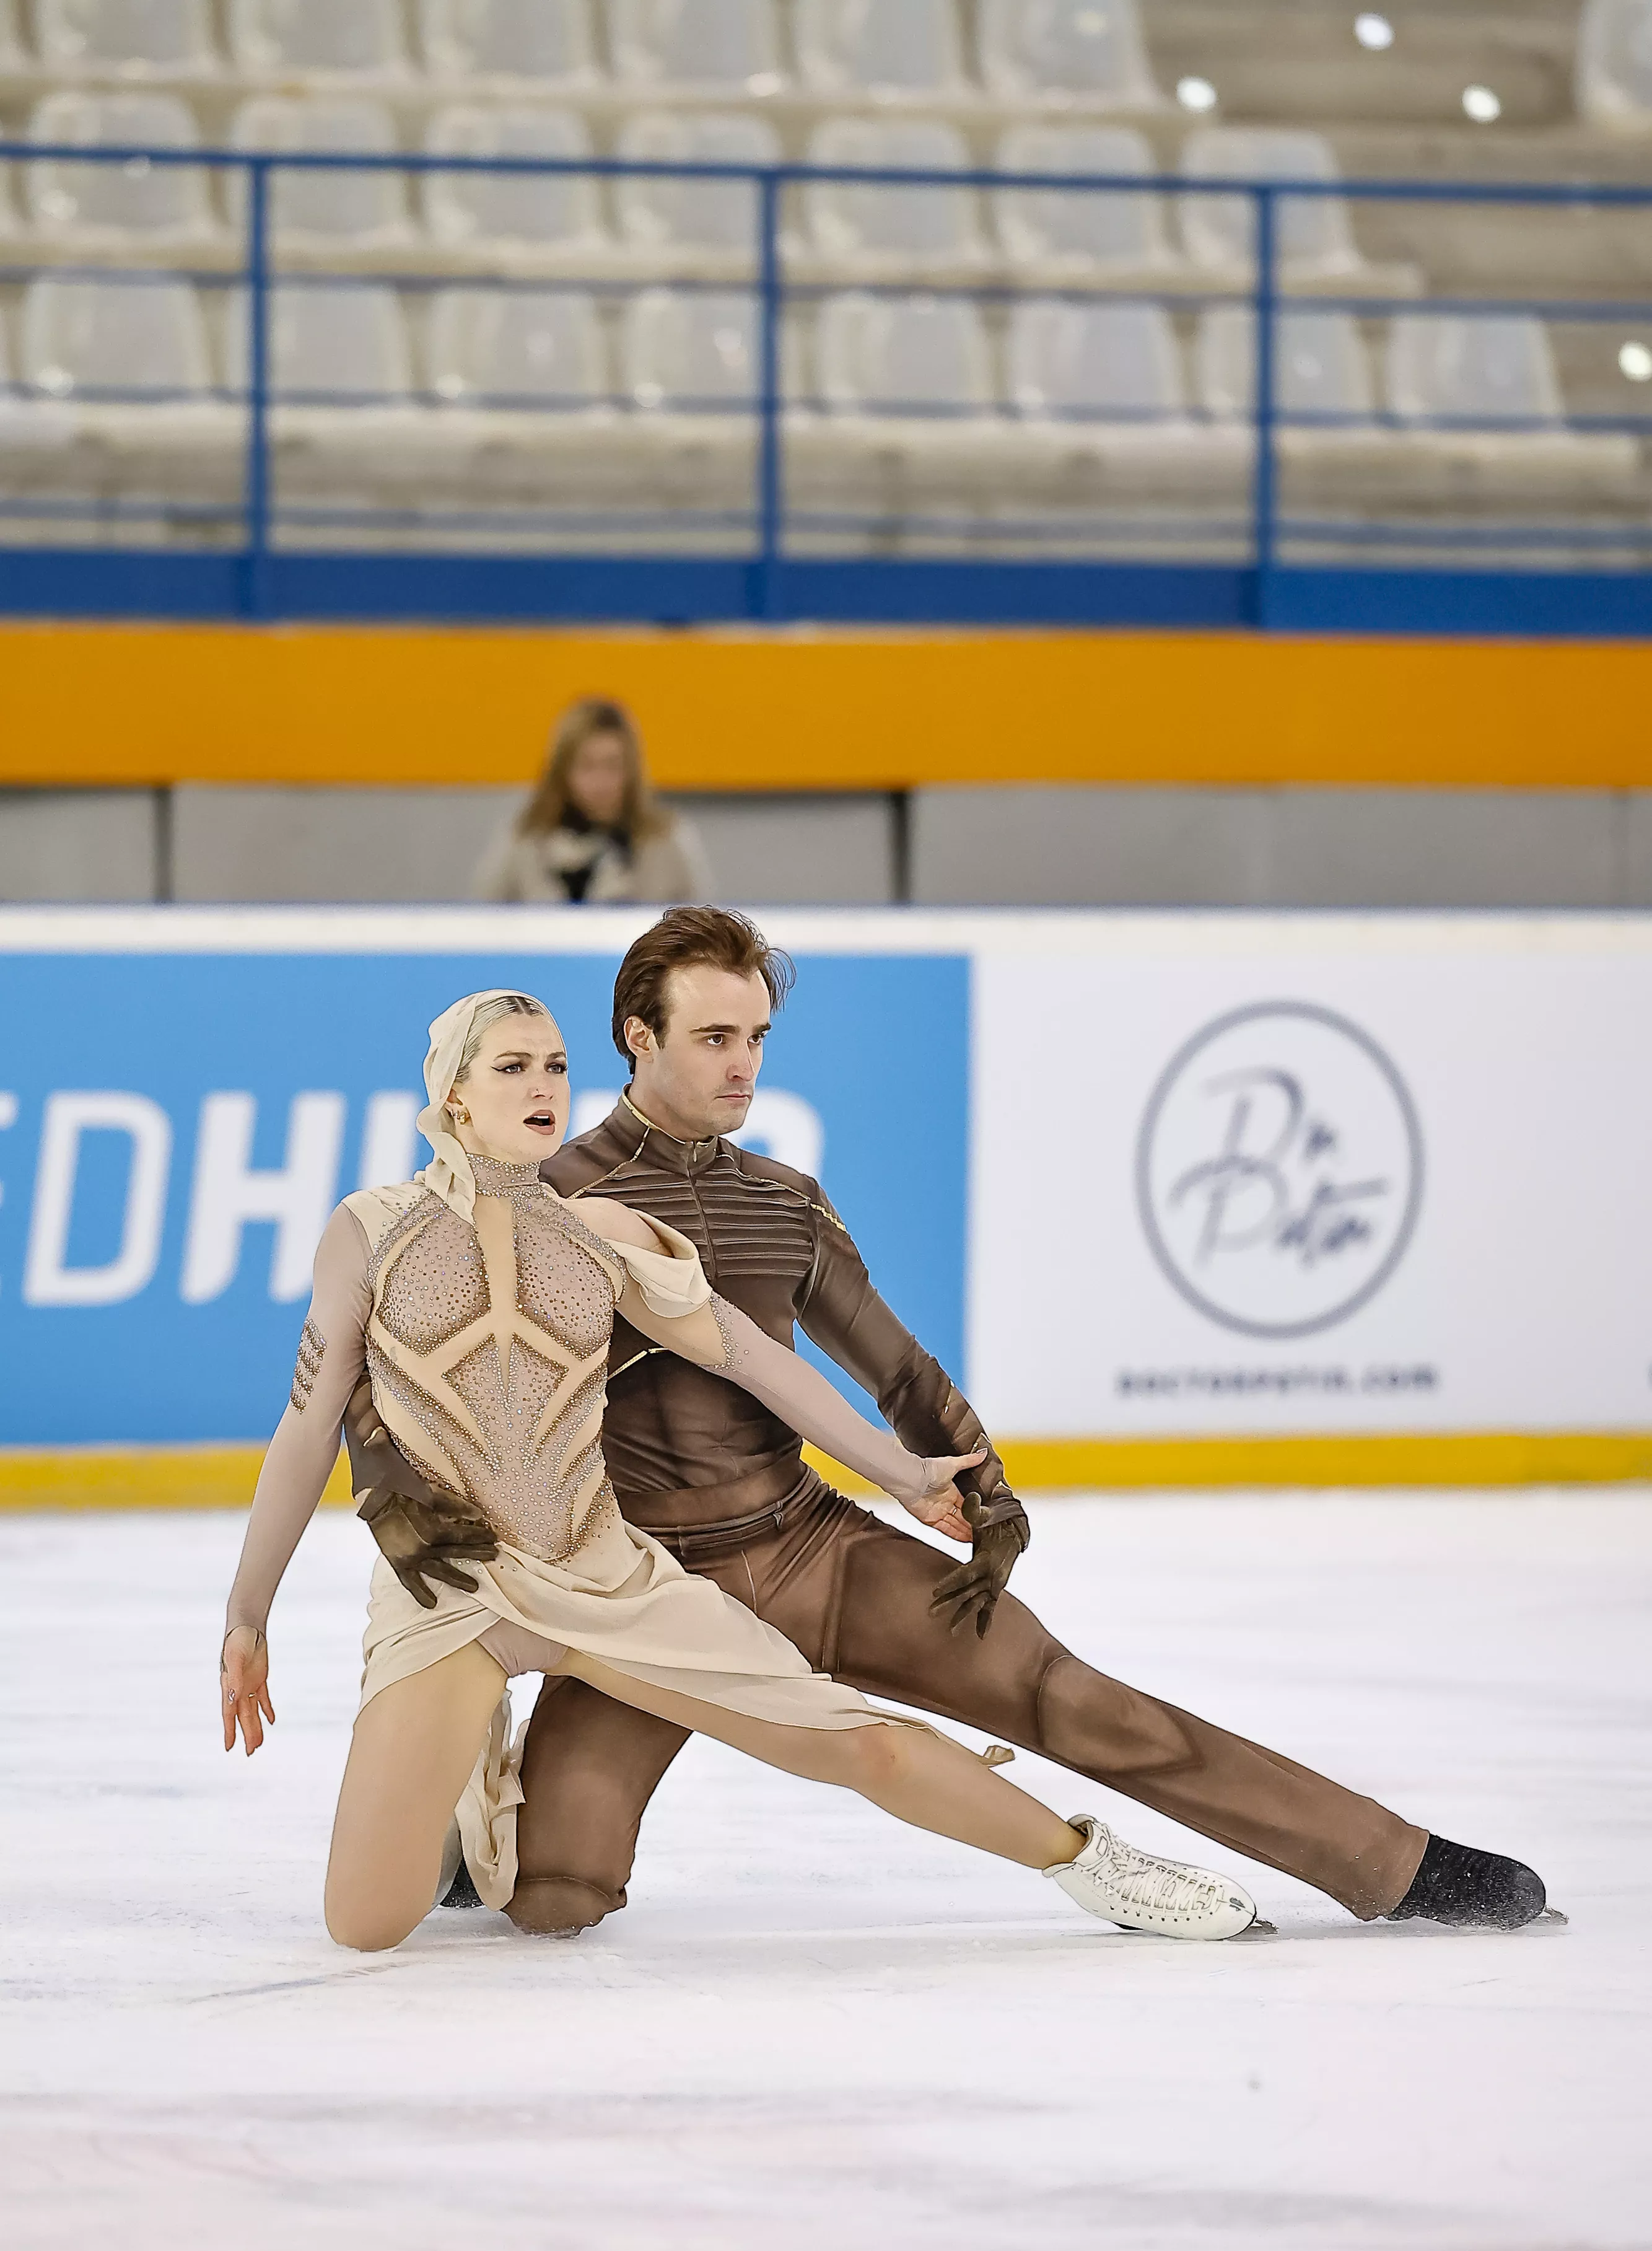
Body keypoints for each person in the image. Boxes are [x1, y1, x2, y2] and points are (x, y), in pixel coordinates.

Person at [348, 911, 1551, 1939]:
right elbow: (380, 1362)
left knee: (1075, 1696)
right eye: (714, 1037)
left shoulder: (784, 1200)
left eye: (757, 1037)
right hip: (645, 1583)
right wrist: (384, 1478)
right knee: (560, 1890)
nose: (742, 1065)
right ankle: (479, 1816)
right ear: (637, 1035)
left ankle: (1393, 1862)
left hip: (815, 1546)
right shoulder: (545, 1195)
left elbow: (892, 1363)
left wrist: (983, 1487)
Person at [221, 987, 1265, 1952]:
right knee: (368, 1924)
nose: (544, 1087)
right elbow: (308, 1428)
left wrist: (897, 1469)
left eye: (553, 1065)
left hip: (607, 1582)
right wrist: (246, 1617)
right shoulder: (369, 1233)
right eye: (511, 1068)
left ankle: (1099, 1866)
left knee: (860, 1744)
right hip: (451, 1593)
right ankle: (473, 1791)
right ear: (451, 1092)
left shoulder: (609, 1238)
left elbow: (763, 1366)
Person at [472, 696, 711, 906]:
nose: (601, 782)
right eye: (587, 766)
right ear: (562, 772)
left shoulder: (667, 842)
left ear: (632, 771)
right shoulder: (525, 841)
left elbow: (705, 939)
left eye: (612, 765)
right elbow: (483, 926)